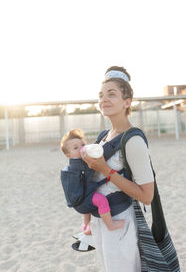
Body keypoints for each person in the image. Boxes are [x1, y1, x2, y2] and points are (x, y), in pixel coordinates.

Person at [80, 66, 154, 272]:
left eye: (112, 94)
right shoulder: (104, 136)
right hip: (100, 220)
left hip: (119, 221)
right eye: (101, 95)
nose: (104, 99)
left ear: (127, 102)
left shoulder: (134, 140)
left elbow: (147, 196)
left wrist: (105, 169)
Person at [60, 129, 125, 234]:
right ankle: (110, 224)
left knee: (88, 201)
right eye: (76, 148)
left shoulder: (76, 162)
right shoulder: (78, 164)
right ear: (68, 155)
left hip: (81, 198)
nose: (81, 148)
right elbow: (93, 167)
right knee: (101, 200)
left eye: (83, 144)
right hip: (83, 199)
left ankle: (86, 224)